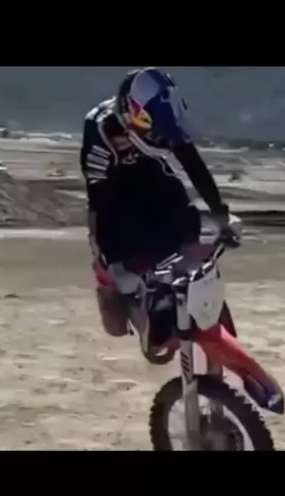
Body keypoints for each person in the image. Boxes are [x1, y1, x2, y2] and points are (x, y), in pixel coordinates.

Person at [80, 67, 236, 349]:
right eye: (153, 129)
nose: (161, 138)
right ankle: (134, 296)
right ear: (131, 115)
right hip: (112, 182)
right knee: (120, 242)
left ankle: (178, 287)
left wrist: (219, 213)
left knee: (182, 211)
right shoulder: (100, 133)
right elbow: (99, 200)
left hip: (149, 168)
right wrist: (104, 253)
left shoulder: (161, 122)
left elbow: (192, 164)